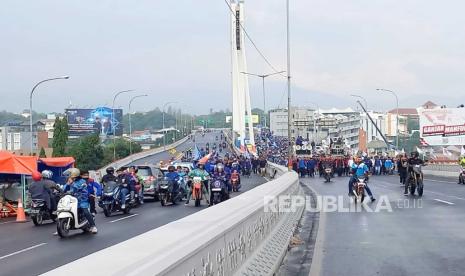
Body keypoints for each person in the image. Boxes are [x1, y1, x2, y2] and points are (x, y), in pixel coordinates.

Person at [63, 168, 98, 234]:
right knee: (65, 209)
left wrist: (71, 183)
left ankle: (93, 226)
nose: (68, 176)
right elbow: (64, 189)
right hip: (72, 200)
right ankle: (62, 225)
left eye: (70, 174)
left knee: (85, 211)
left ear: (74, 174)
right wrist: (67, 185)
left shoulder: (82, 181)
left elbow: (77, 188)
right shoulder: (70, 181)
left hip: (82, 200)